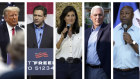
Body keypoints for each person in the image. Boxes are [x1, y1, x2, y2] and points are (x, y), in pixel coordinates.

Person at [113, 6, 140, 79]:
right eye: (121, 13)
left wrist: (132, 42)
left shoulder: (138, 32)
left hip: (133, 73)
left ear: (132, 15)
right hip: (115, 73)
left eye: (127, 13)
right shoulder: (113, 32)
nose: (124, 15)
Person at [56, 6, 82, 79]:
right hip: (61, 66)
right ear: (64, 18)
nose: (70, 18)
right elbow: (54, 51)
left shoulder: (81, 31)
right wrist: (61, 38)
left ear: (75, 17)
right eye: (68, 15)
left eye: (73, 15)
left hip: (77, 67)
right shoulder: (56, 31)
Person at [27, 5, 53, 79]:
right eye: (35, 15)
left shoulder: (52, 31)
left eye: (39, 16)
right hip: (29, 70)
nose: (36, 18)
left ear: (45, 17)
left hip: (46, 71)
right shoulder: (25, 29)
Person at [85, 5, 111, 79]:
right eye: (95, 15)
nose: (98, 17)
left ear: (104, 16)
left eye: (100, 15)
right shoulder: (86, 32)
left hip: (102, 71)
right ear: (91, 17)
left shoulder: (108, 29)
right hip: (87, 70)